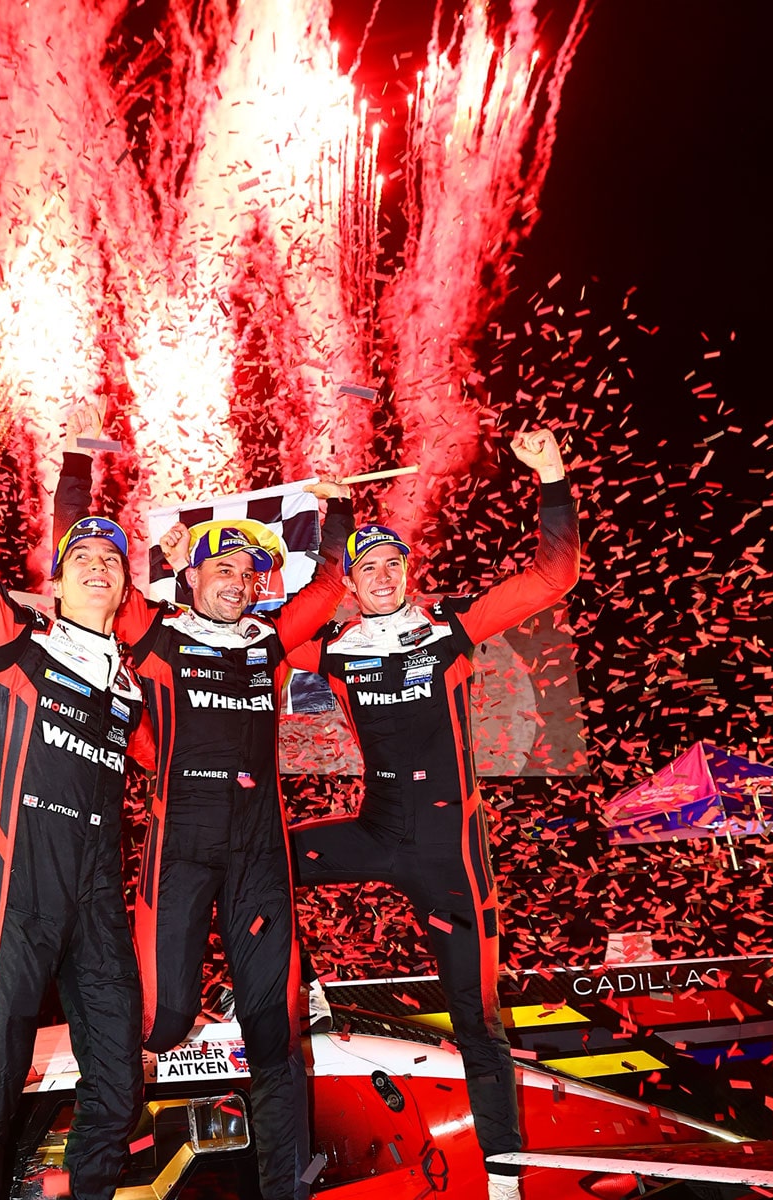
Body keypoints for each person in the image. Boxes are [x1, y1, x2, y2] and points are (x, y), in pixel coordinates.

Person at [57, 414, 353, 1200]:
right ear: (191, 578)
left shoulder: (271, 641)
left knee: (274, 1027)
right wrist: (78, 469)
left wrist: (339, 511)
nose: (237, 580)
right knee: (158, 1017)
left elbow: (328, 587)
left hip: (260, 853)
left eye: (250, 573)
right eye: (222, 568)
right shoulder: (154, 635)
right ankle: (91, 1171)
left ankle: (283, 1187)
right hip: (179, 847)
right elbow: (83, 560)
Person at [287, 428, 580, 1200]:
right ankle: (300, 992)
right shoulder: (340, 646)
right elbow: (279, 642)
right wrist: (338, 516)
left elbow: (552, 577)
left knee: (476, 1018)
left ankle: (507, 1177)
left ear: (409, 573)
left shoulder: (450, 626)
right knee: (250, 858)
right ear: (350, 581)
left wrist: (551, 477)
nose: (381, 576)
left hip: (451, 855)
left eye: (393, 563)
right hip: (377, 832)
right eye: (366, 567)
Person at [0, 331, 146, 1200]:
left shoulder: (128, 683)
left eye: (109, 562)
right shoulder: (20, 646)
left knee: (120, 1070)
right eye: (79, 557)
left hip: (97, 893)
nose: (94, 567)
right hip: (23, 886)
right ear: (58, 578)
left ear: (124, 589)